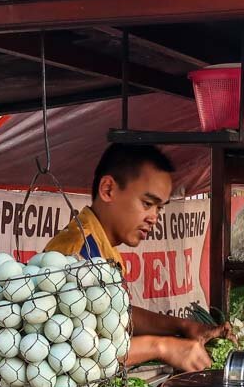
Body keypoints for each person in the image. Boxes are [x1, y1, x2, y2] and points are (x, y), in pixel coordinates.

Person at [43, 144, 225, 371]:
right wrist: (163, 347)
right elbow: (75, 351)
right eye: (148, 204)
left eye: (159, 208)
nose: (154, 217)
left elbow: (116, 315)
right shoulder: (76, 253)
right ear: (108, 189)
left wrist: (183, 326)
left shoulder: (99, 246)